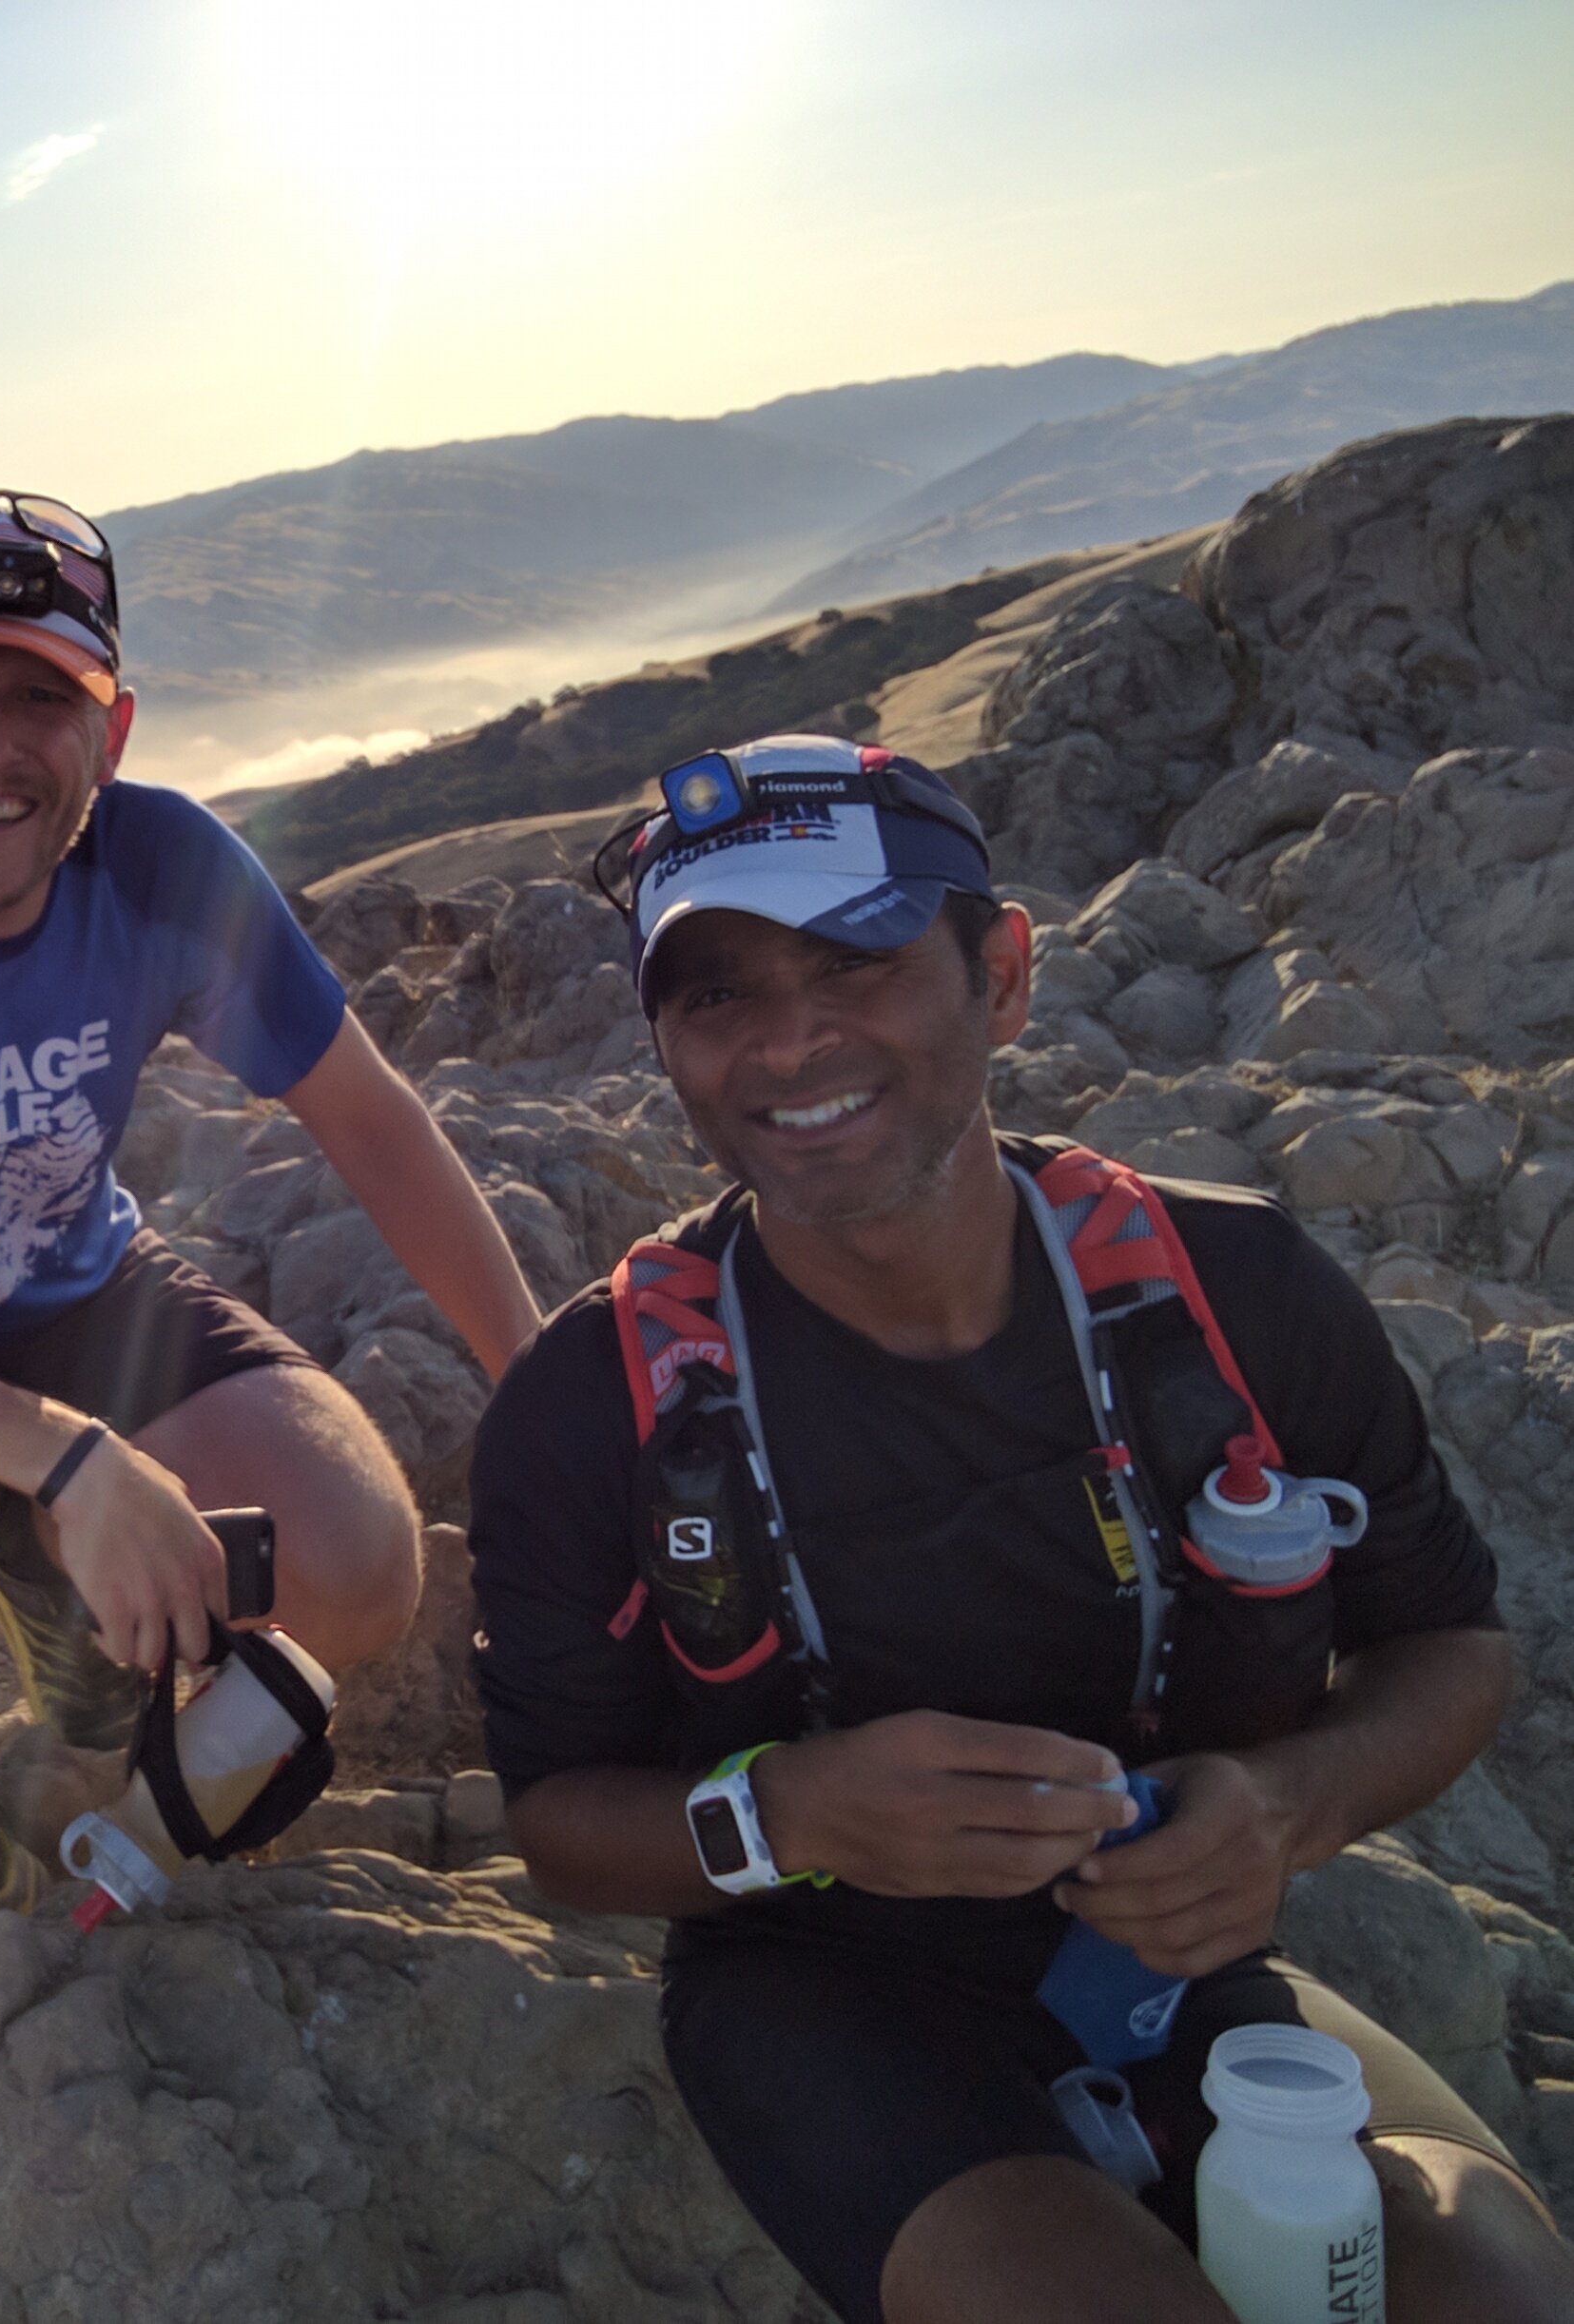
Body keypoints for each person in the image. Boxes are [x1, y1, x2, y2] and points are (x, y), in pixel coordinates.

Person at [468, 733, 1574, 2323]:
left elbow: (1451, 1639)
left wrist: (1278, 1805)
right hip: (822, 1994)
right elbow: (561, 1820)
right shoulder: (598, 1406)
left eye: (857, 958)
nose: (790, 1043)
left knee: (1498, 2290)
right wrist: (802, 1817)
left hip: (1172, 1959)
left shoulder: (1229, 1296)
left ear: (1002, 975)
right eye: (717, 994)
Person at [0, 489, 539, 1969]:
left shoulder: (166, 869)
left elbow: (373, 1122)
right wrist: (75, 1462)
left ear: (113, 736)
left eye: (41, 698)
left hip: (78, 1289)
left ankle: (106, 1795)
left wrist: (538, 1383)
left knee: (357, 1560)